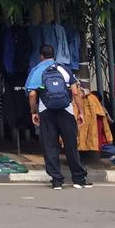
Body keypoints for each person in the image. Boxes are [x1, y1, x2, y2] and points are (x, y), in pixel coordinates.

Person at [26, 44, 91, 190]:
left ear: (41, 56)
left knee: (50, 146)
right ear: (53, 55)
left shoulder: (37, 70)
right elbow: (75, 92)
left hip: (46, 111)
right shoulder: (63, 68)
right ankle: (79, 179)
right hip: (66, 111)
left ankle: (57, 180)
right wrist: (80, 112)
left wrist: (33, 112)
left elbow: (32, 94)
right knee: (71, 145)